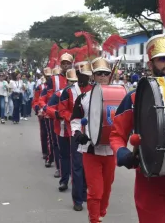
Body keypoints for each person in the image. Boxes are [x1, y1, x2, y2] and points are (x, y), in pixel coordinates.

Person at [109, 33, 165, 223]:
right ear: (150, 64)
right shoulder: (135, 98)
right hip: (149, 177)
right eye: (162, 59)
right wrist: (123, 153)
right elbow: (116, 135)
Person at [71, 57, 115, 223]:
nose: (102, 76)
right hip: (90, 149)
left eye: (105, 73)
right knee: (95, 191)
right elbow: (75, 120)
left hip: (111, 150)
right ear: (93, 76)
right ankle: (94, 219)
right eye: (99, 74)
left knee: (107, 189)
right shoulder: (83, 98)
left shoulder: (119, 96)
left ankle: (101, 214)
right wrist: (77, 134)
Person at [59, 59, 92, 209]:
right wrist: (72, 117)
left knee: (88, 165)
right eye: (81, 74)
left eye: (87, 75)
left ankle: (85, 192)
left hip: (92, 133)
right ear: (77, 74)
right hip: (75, 131)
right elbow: (62, 110)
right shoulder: (68, 91)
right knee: (77, 165)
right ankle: (77, 199)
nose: (84, 77)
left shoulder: (95, 89)